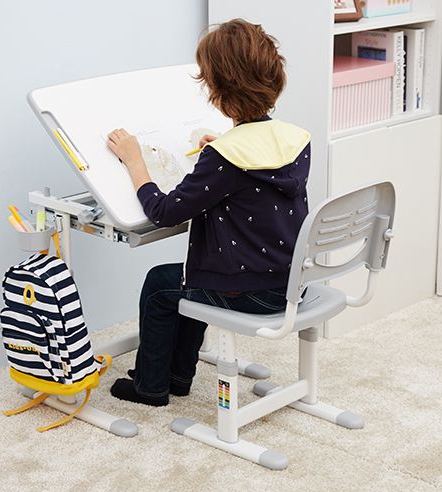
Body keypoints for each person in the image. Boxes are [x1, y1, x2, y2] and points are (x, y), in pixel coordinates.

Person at [107, 18, 311, 406]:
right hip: (289, 283)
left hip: (248, 291)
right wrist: (226, 147)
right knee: (192, 274)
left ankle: (151, 387)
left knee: (160, 285)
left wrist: (135, 161)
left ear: (217, 90)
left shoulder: (225, 158)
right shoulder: (296, 139)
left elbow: (164, 211)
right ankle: (178, 376)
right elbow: (257, 180)